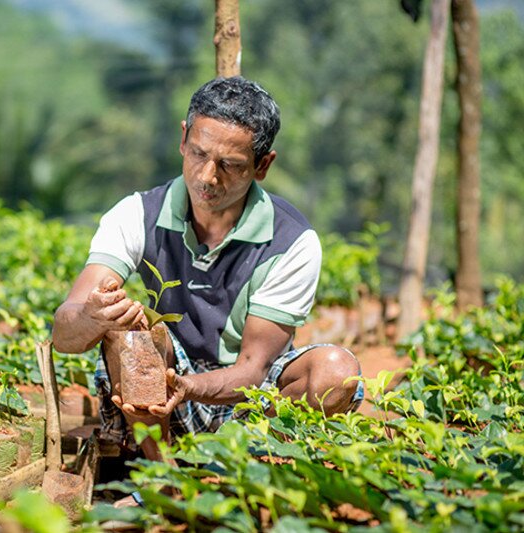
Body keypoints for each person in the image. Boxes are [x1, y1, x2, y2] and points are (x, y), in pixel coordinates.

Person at [52, 76, 363, 463]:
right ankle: (161, 474)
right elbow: (64, 335)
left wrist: (187, 386)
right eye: (198, 153)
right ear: (183, 139)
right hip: (164, 398)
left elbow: (254, 368)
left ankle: (253, 468)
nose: (207, 177)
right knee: (127, 332)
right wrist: (92, 316)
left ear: (263, 165)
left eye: (230, 165)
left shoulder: (292, 241)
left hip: (252, 402)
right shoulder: (134, 215)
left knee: (336, 371)